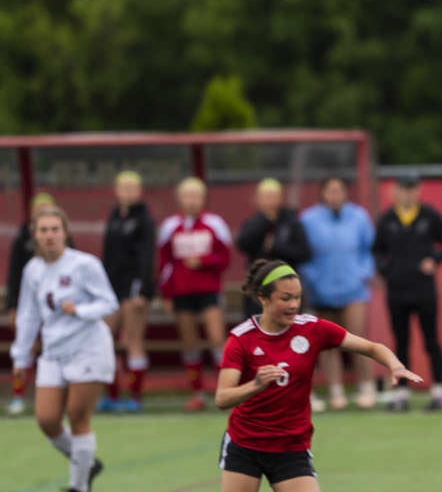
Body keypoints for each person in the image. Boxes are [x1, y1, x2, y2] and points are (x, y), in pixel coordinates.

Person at [206, 258, 421, 492]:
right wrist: (256, 384)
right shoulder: (242, 339)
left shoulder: (313, 329)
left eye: (298, 298)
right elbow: (222, 398)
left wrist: (395, 365)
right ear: (263, 298)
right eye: (285, 298)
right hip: (245, 445)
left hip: (290, 447)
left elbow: (371, 347)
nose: (293, 305)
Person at [12, 203, 118, 492]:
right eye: (43, 230)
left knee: (77, 415)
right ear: (34, 234)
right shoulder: (32, 270)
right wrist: (20, 358)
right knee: (46, 419)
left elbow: (108, 302)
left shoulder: (84, 265)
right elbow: (28, 315)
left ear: (65, 233)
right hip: (54, 350)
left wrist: (80, 310)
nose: (49, 236)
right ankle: (86, 462)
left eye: (55, 230)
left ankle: (78, 488)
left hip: (88, 347)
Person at [374, 177, 442, 412]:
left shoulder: (429, 215)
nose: (408, 194)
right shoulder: (387, 219)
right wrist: (388, 270)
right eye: (403, 190)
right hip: (397, 291)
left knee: (431, 341)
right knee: (401, 343)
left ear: (418, 191)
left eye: (412, 189)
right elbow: (376, 251)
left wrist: (435, 260)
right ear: (395, 192)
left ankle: (439, 390)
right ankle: (401, 392)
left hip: (424, 290)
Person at [298, 176, 378, 410]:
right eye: (330, 191)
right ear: (322, 193)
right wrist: (312, 278)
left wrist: (362, 273)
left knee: (357, 339)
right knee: (326, 344)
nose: (334, 196)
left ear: (345, 193)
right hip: (320, 291)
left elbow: (369, 250)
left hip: (353, 290)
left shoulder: (359, 217)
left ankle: (366, 387)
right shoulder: (308, 219)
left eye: (339, 191)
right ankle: (336, 391)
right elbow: (304, 254)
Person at [154, 177, 232, 412]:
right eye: (187, 196)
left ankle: (225, 392)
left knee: (217, 339)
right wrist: (167, 295)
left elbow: (225, 258)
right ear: (179, 198)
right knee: (189, 343)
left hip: (209, 292)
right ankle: (197, 393)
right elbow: (164, 263)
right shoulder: (170, 226)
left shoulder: (215, 223)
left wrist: (204, 261)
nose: (191, 201)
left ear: (203, 198)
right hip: (182, 293)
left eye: (196, 196)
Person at [99, 171, 156, 413]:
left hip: (134, 287)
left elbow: (147, 257)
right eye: (123, 188)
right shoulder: (114, 215)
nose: (127, 192)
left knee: (133, 340)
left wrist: (142, 290)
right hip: (112, 287)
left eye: (132, 188)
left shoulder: (144, 219)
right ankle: (111, 395)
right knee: (104, 338)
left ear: (139, 191)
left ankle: (135, 397)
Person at [5, 193, 57, 414]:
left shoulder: (65, 244)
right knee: (24, 347)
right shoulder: (22, 242)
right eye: (39, 209)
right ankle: (18, 396)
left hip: (55, 307)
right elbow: (14, 275)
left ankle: (53, 396)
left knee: (52, 348)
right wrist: (12, 306)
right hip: (30, 307)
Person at [235, 177, 312, 266]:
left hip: (285, 275)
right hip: (259, 275)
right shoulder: (253, 222)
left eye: (273, 197)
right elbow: (242, 244)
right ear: (258, 199)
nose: (269, 201)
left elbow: (304, 253)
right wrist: (263, 221)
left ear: (280, 198)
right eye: (266, 197)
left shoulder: (291, 222)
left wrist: (276, 247)